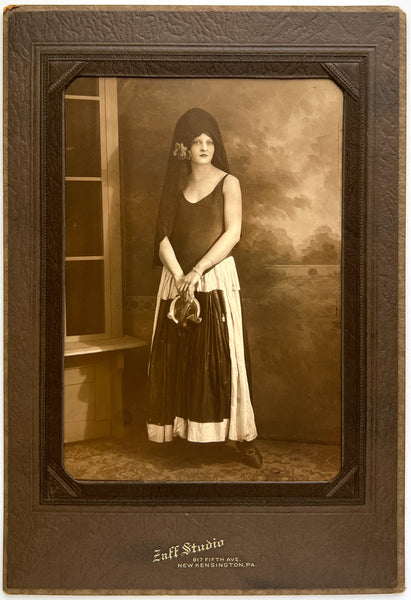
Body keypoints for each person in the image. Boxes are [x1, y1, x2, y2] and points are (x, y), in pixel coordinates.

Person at [147, 108, 262, 469]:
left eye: (209, 142)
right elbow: (161, 237)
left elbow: (233, 233)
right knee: (178, 357)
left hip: (213, 277)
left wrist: (197, 271)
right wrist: (181, 275)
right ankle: (184, 434)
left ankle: (241, 438)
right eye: (196, 141)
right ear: (183, 147)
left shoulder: (229, 182)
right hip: (177, 279)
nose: (204, 147)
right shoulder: (174, 186)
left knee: (219, 356)